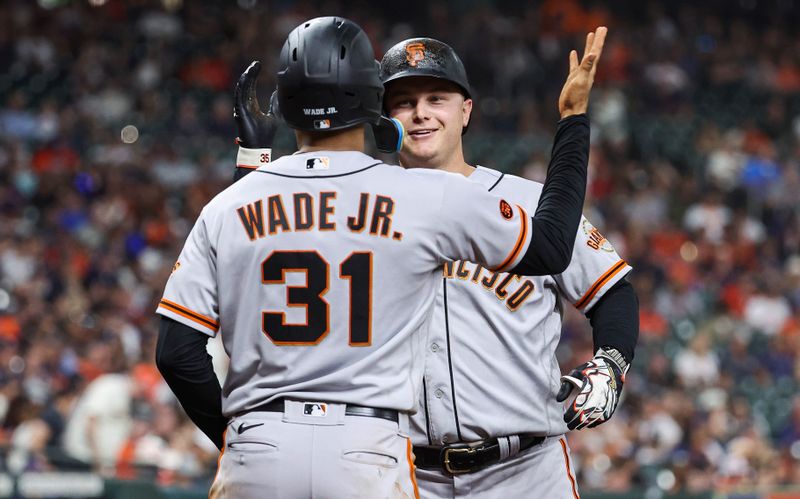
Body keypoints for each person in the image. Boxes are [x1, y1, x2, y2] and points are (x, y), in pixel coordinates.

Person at [157, 16, 598, 498]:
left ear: (285, 105)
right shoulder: (417, 194)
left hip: (259, 443)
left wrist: (238, 439)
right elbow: (553, 244)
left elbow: (178, 353)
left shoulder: (228, 206)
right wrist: (573, 121)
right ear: (374, 102)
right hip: (365, 447)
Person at [376, 36, 639, 497]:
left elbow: (610, 289)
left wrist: (611, 364)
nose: (420, 113)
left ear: (466, 111)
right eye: (403, 102)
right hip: (409, 475)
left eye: (437, 98)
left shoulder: (529, 203)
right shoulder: (365, 216)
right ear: (384, 120)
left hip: (527, 472)